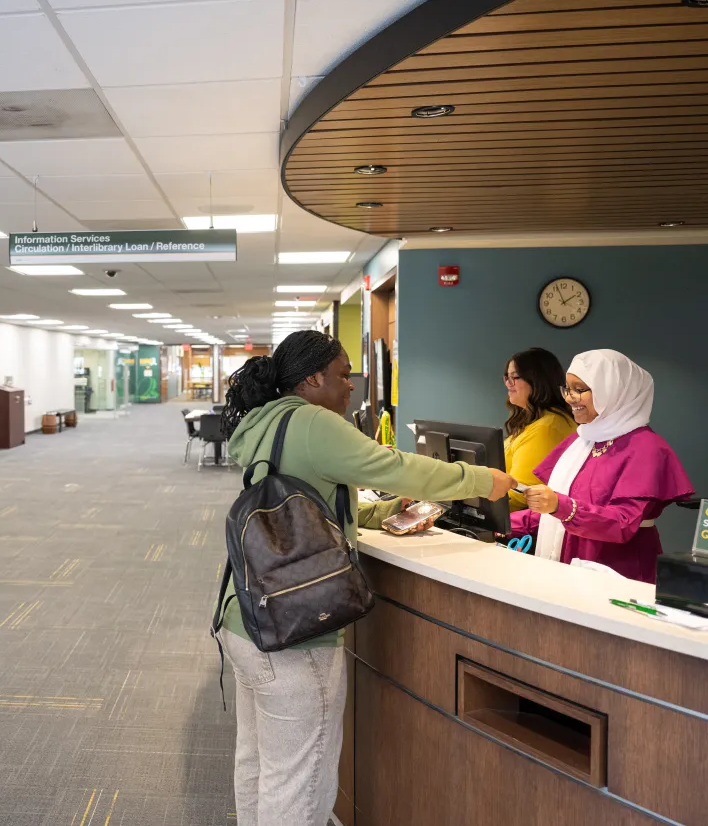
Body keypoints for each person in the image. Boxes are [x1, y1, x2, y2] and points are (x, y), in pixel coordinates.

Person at [216, 330, 514, 826]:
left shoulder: (265, 421)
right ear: (311, 379)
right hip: (298, 635)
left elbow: (309, 499)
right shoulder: (312, 420)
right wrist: (480, 480)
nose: (351, 384)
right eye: (341, 373)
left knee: (261, 765)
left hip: (246, 615)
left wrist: (381, 514)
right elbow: (393, 465)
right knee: (300, 783)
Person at [511, 349, 693, 582]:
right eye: (567, 388)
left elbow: (622, 523)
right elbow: (553, 514)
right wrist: (500, 522)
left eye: (580, 390)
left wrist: (560, 506)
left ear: (614, 391)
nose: (569, 398)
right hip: (572, 558)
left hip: (618, 570)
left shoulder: (647, 448)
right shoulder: (583, 439)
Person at [503, 348, 577, 511]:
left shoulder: (547, 427)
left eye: (514, 377)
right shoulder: (533, 422)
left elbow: (520, 493)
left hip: (520, 525)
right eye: (506, 377)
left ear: (537, 380)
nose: (508, 383)